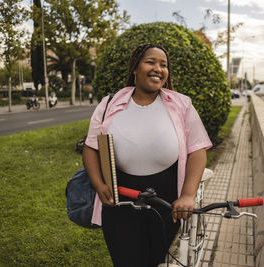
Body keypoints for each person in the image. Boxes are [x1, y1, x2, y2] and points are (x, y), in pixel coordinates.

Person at [82, 43, 212, 267]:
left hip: (166, 198)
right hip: (120, 196)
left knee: (155, 260)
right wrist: (98, 184)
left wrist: (188, 195)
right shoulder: (109, 104)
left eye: (163, 65)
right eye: (150, 62)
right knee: (126, 260)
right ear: (135, 68)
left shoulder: (182, 104)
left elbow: (197, 150)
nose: (158, 68)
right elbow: (91, 147)